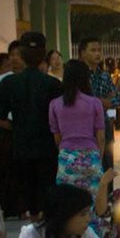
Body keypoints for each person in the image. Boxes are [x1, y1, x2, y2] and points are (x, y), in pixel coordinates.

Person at [0, 40, 62, 223]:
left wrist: (18, 126)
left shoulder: (10, 82)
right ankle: (45, 226)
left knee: (27, 196)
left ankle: (33, 225)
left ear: (22, 56)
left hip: (19, 147)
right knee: (46, 194)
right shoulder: (53, 84)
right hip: (48, 148)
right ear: (43, 57)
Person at [47, 61, 107, 196]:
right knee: (93, 198)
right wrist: (99, 157)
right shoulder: (94, 103)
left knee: (68, 200)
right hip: (91, 155)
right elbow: (101, 137)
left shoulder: (55, 104)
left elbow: (57, 137)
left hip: (66, 156)